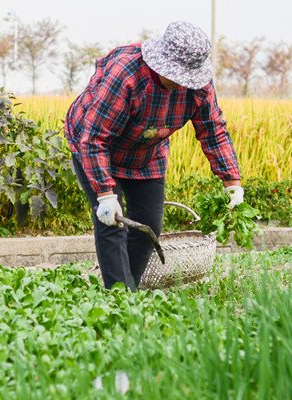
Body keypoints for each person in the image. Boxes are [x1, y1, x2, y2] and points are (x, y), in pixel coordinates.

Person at [64, 21, 243, 290]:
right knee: (112, 222)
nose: (183, 82)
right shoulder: (126, 74)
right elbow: (94, 137)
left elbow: (213, 130)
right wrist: (105, 194)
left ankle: (129, 289)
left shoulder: (199, 87)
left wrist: (232, 183)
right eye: (177, 75)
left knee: (149, 225)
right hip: (97, 147)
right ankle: (120, 298)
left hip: (147, 153)